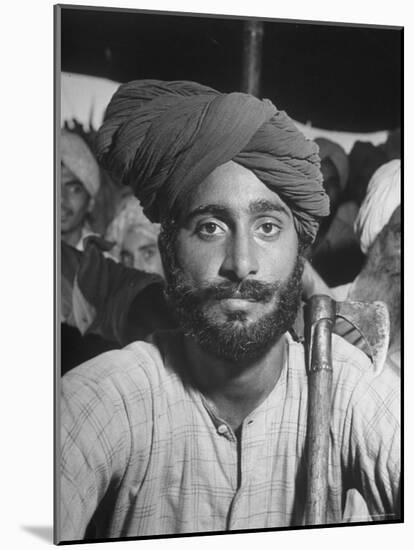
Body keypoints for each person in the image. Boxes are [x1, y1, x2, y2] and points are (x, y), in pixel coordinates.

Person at [59, 80, 400, 542]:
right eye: (211, 226)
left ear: (300, 254)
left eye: (267, 227)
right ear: (169, 250)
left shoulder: (343, 383)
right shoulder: (111, 397)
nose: (241, 263)